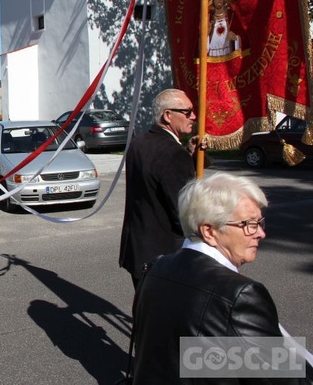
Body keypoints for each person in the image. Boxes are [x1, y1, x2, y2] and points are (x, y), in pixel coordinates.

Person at [132, 172, 313, 382]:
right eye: (249, 224)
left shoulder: (156, 267)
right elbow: (281, 377)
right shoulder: (240, 294)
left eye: (259, 222)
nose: (261, 233)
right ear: (209, 231)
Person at [119, 88, 204, 289]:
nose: (193, 116)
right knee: (165, 316)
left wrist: (189, 156)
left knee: (144, 311)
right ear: (168, 115)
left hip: (138, 247)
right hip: (166, 253)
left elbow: (155, 181)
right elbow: (182, 211)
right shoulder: (173, 153)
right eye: (187, 111)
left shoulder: (139, 143)